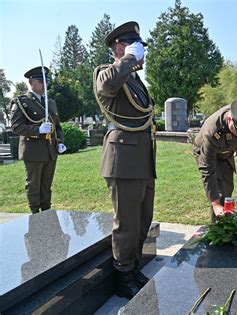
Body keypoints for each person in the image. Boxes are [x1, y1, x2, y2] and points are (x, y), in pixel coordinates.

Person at [93, 21, 156, 299]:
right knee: (127, 223)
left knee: (143, 219)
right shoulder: (106, 73)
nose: (142, 52)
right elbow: (107, 87)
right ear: (120, 46)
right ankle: (122, 275)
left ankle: (133, 268)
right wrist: (128, 58)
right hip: (122, 159)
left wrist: (131, 64)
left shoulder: (134, 79)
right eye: (136, 46)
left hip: (141, 158)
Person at [193, 99, 237, 222]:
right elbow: (207, 170)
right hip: (207, 152)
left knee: (227, 189)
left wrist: (236, 145)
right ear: (229, 119)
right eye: (236, 132)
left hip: (226, 150)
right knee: (219, 193)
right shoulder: (212, 132)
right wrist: (215, 204)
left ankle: (227, 223)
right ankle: (217, 228)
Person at [10, 66, 66, 214]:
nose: (45, 85)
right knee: (34, 185)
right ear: (31, 82)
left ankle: (47, 212)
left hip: (50, 151)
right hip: (33, 150)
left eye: (46, 81)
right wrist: (38, 130)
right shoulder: (22, 102)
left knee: (47, 185)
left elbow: (57, 126)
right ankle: (35, 215)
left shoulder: (51, 102)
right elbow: (16, 127)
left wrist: (60, 142)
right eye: (41, 81)